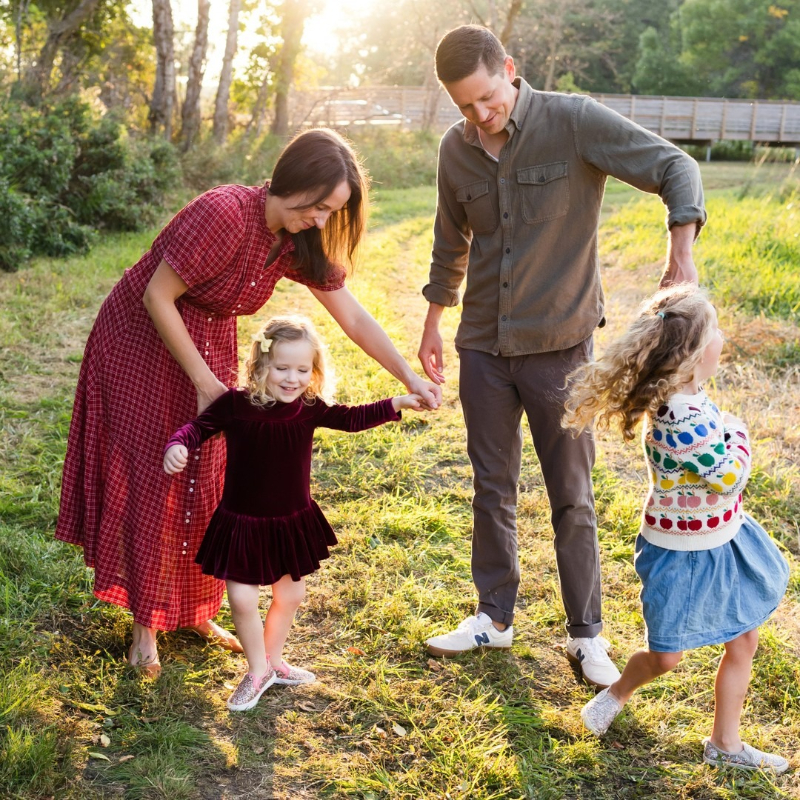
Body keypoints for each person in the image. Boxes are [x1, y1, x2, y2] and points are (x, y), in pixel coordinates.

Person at [56, 127, 441, 677]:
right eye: (322, 207)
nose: (324, 221)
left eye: (336, 212)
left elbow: (351, 316)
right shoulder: (223, 213)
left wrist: (409, 375)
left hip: (207, 338)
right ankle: (146, 625)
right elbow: (155, 296)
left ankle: (190, 608)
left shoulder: (293, 240)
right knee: (158, 470)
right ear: (297, 183)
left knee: (211, 476)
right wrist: (206, 383)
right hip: (141, 339)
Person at [419, 24, 707, 687]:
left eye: (488, 99)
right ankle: (493, 618)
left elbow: (675, 167)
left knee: (571, 496)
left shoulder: (572, 121)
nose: (480, 116)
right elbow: (448, 243)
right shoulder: (454, 152)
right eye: (465, 107)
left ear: (510, 70)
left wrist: (680, 251)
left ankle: (586, 636)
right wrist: (435, 321)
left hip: (561, 349)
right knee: (491, 488)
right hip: (483, 347)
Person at [562, 284, 790, 772]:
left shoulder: (687, 392)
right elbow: (731, 475)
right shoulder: (678, 418)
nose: (724, 337)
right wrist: (741, 434)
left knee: (745, 639)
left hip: (722, 538)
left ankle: (724, 745)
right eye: (715, 331)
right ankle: (619, 691)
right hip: (681, 553)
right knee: (668, 657)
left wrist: (727, 431)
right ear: (691, 355)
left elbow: (719, 445)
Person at [163, 315, 423, 710]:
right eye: (282, 368)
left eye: (302, 369)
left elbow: (351, 418)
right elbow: (197, 428)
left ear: (314, 371)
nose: (291, 378)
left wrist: (397, 403)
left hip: (290, 521)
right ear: (261, 367)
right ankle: (256, 671)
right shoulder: (236, 406)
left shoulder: (309, 408)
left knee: (291, 594)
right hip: (243, 521)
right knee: (243, 598)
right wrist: (177, 445)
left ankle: (275, 661)